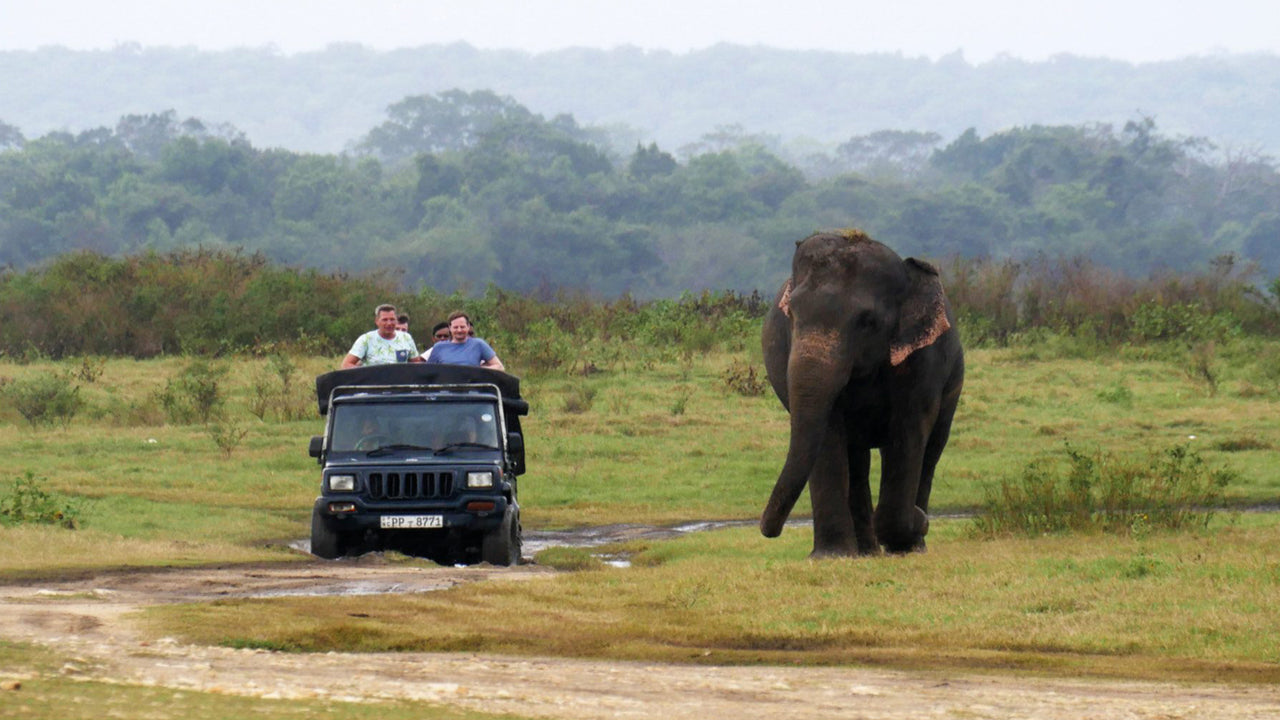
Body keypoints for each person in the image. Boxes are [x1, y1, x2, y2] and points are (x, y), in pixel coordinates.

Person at [342, 303, 424, 368]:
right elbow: (346, 365)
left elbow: (416, 363)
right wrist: (366, 373)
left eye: (392, 319)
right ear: (377, 321)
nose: (389, 323)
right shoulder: (366, 339)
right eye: (385, 320)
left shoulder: (406, 338)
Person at [425, 311, 504, 370]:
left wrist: (479, 370)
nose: (459, 330)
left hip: (472, 388)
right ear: (449, 328)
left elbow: (499, 366)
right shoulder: (439, 347)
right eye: (456, 327)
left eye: (462, 327)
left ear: (468, 326)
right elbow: (428, 371)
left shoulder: (479, 344)